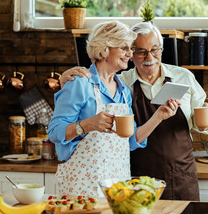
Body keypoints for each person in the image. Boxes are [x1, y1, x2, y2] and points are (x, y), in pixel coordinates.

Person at [60, 21, 208, 201]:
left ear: (161, 49)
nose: (149, 57)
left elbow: (201, 122)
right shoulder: (120, 82)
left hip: (180, 175)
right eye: (141, 51)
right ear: (131, 54)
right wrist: (65, 80)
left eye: (155, 50)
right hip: (136, 176)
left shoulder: (184, 77)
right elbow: (91, 82)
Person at [48, 21, 179, 197]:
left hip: (117, 184)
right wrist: (88, 125)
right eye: (124, 48)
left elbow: (131, 140)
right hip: (82, 184)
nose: (130, 53)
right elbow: (54, 132)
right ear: (104, 49)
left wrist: (158, 116)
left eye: (130, 48)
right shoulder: (79, 83)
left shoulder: (123, 91)